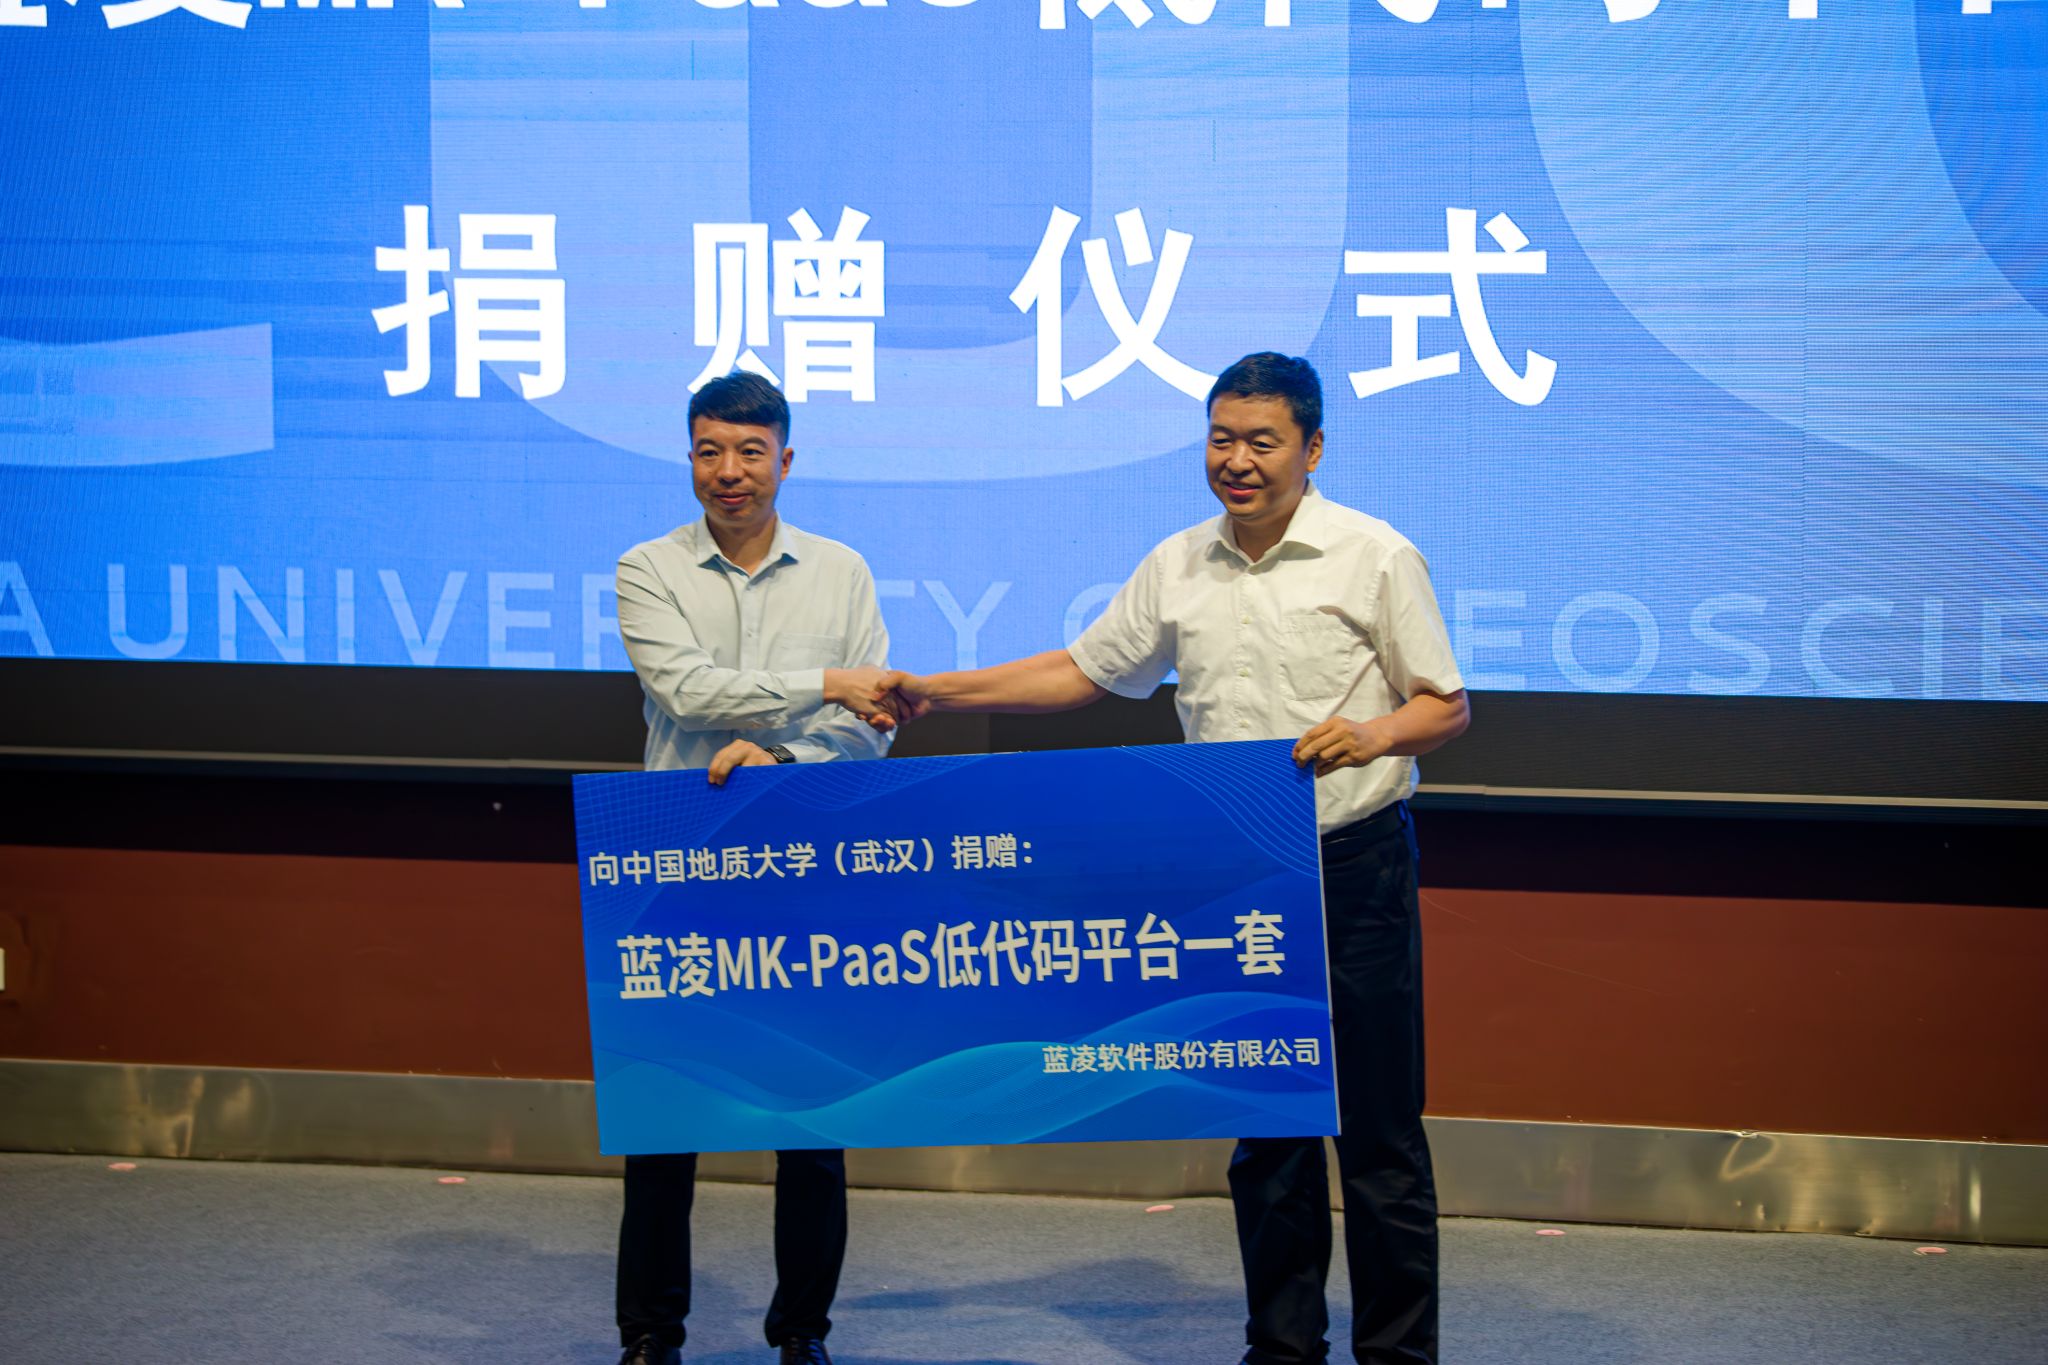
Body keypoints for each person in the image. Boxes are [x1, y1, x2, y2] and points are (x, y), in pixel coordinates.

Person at [878, 352, 1469, 1365]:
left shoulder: (1373, 555)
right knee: (1268, 1131)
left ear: (1312, 450)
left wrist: (1372, 734)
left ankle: (1397, 1355)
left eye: (1261, 442)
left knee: (1377, 1137)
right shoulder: (1179, 563)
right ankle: (1280, 1348)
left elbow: (1444, 705)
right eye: (1221, 439)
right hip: (1241, 876)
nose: (1236, 461)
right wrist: (938, 690)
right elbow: (1083, 671)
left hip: (1352, 865)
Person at [610, 371, 901, 1365]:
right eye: (709, 451)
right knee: (662, 1120)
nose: (728, 472)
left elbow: (870, 727)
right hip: (675, 864)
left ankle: (801, 1332)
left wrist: (783, 755)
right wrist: (824, 684)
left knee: (812, 1122)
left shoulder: (842, 572)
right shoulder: (648, 568)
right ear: (688, 456)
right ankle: (651, 1334)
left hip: (802, 864)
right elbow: (688, 693)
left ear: (785, 458)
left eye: (748, 452)